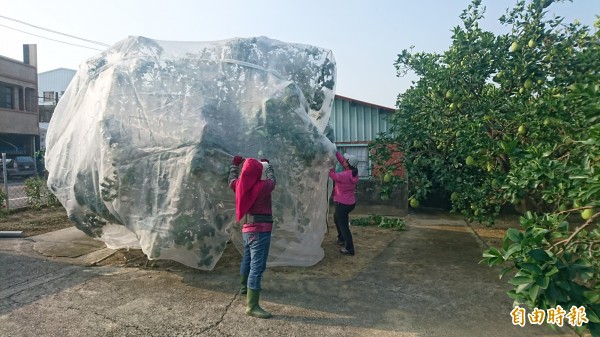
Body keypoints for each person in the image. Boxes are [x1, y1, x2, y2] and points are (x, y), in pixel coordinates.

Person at [228, 155, 276, 319]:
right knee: (257, 266)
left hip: (247, 229)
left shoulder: (239, 185)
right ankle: (252, 305)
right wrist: (268, 166)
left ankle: (244, 287)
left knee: (247, 259)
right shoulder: (262, 187)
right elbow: (273, 181)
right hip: (260, 231)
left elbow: (231, 180)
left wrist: (234, 165)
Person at [329, 151, 359, 256]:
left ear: (348, 164)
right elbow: (342, 160)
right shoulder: (353, 172)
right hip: (349, 203)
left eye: (346, 160)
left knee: (344, 226)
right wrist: (335, 151)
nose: (344, 160)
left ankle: (350, 249)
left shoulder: (344, 175)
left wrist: (328, 165)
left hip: (342, 204)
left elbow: (332, 175)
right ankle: (341, 238)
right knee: (337, 218)